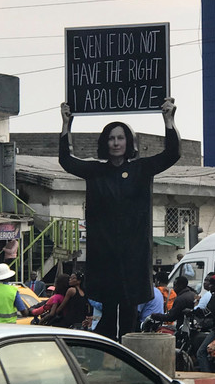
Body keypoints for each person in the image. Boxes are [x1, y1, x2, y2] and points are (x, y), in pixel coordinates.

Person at [59, 97, 180, 341]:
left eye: (120, 138)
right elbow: (67, 161)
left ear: (129, 142)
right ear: (105, 142)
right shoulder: (95, 171)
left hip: (133, 254)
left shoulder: (141, 169)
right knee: (106, 315)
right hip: (104, 254)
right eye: (111, 138)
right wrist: (65, 125)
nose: (116, 143)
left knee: (129, 314)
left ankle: (127, 361)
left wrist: (169, 120)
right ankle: (106, 356)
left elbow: (171, 154)